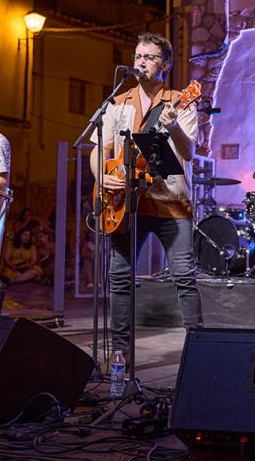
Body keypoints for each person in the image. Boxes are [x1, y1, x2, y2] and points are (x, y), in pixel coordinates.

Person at [89, 32, 203, 355]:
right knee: (120, 278)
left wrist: (173, 126)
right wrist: (102, 177)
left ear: (165, 64)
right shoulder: (118, 103)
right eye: (138, 56)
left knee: (184, 277)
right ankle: (120, 355)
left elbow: (189, 152)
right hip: (125, 204)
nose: (141, 62)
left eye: (149, 57)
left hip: (171, 202)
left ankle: (200, 351)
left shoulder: (180, 100)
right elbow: (99, 150)